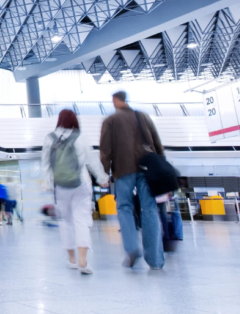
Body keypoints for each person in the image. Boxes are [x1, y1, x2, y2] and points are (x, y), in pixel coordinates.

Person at [100, 90, 165, 270]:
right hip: (147, 169)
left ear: (115, 100)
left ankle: (132, 248)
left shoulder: (110, 121)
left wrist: (104, 174)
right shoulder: (143, 117)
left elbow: (105, 150)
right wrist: (162, 166)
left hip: (123, 169)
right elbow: (157, 143)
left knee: (124, 207)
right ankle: (155, 261)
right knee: (149, 209)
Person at [44, 109, 109, 274]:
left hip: (60, 186)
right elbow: (92, 161)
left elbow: (46, 165)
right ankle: (83, 261)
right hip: (81, 184)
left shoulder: (49, 138)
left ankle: (72, 260)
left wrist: (50, 185)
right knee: (81, 220)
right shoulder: (81, 137)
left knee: (66, 221)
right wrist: (102, 178)